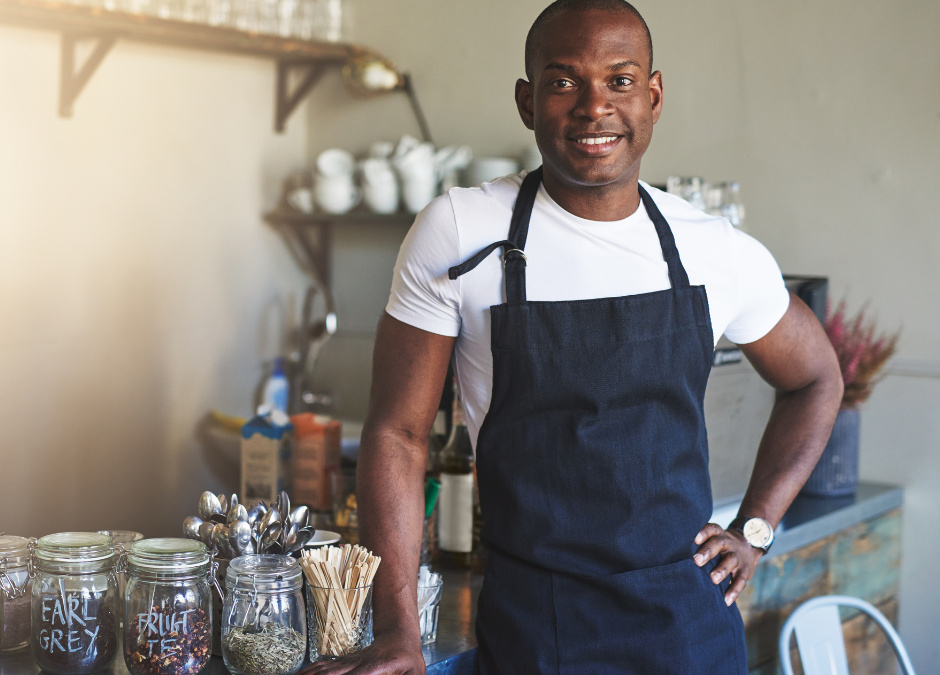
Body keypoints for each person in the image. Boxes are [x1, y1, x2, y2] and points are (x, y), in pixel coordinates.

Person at [304, 1, 843, 673]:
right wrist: (397, 631)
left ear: (653, 96)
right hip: (536, 629)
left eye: (620, 80)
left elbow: (817, 377)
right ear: (528, 102)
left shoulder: (713, 250)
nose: (595, 107)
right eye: (565, 81)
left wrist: (755, 528)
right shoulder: (460, 230)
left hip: (689, 631)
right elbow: (399, 435)